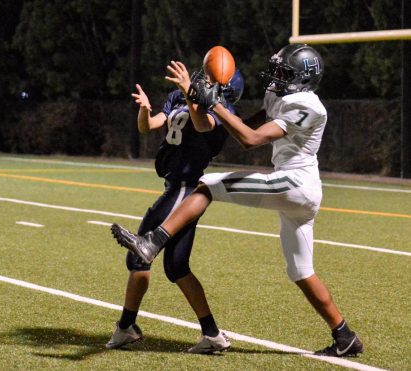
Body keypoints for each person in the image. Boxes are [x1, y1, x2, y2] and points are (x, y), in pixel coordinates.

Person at [111, 44, 364, 358]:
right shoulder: (281, 98)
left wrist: (215, 105)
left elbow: (250, 139)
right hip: (295, 189)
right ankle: (345, 336)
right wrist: (213, 106)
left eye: (285, 73)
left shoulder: (309, 105)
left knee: (205, 185)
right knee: (300, 271)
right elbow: (251, 123)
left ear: (304, 79)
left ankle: (153, 242)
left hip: (296, 182)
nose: (276, 77)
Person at [106, 54, 244, 353]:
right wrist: (145, 110)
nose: (201, 82)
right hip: (173, 187)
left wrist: (189, 93)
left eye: (209, 80)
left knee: (139, 256)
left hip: (184, 187)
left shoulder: (221, 109)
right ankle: (212, 335)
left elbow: (203, 125)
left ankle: (126, 327)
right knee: (177, 267)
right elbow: (149, 126)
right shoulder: (181, 98)